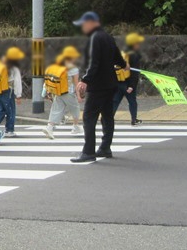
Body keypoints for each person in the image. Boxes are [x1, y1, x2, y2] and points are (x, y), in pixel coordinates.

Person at [70, 12, 125, 163]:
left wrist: (85, 80)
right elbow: (118, 59)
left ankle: (88, 152)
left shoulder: (95, 38)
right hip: (111, 84)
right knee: (107, 116)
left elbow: (94, 63)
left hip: (98, 85)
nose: (83, 27)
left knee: (89, 117)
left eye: (84, 24)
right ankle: (105, 148)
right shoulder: (108, 37)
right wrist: (125, 65)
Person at [43, 46, 83, 137]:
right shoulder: (73, 68)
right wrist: (79, 96)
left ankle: (49, 127)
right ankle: (75, 127)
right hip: (69, 92)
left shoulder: (58, 65)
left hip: (58, 91)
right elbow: (76, 84)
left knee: (56, 110)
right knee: (75, 108)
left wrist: (49, 91)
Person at [113, 32, 145, 126]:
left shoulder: (123, 52)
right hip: (128, 83)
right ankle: (133, 119)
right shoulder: (134, 55)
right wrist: (131, 85)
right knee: (132, 102)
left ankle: (107, 119)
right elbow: (134, 72)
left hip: (119, 82)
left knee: (115, 101)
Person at [0, 46, 25, 137]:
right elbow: (17, 81)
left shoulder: (0, 64)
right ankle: (9, 130)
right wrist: (18, 95)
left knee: (1, 109)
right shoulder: (14, 68)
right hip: (9, 91)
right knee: (11, 110)